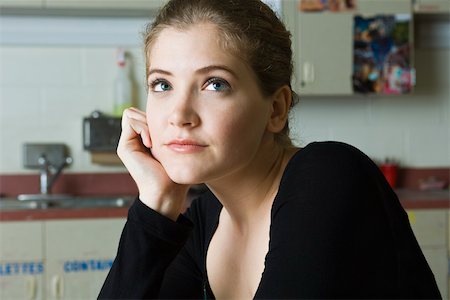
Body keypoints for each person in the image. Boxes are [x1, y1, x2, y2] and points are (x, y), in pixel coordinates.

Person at [98, 0, 442, 298]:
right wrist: (155, 207)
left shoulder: (328, 177)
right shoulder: (205, 221)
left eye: (215, 84)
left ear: (276, 109)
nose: (179, 115)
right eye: (162, 84)